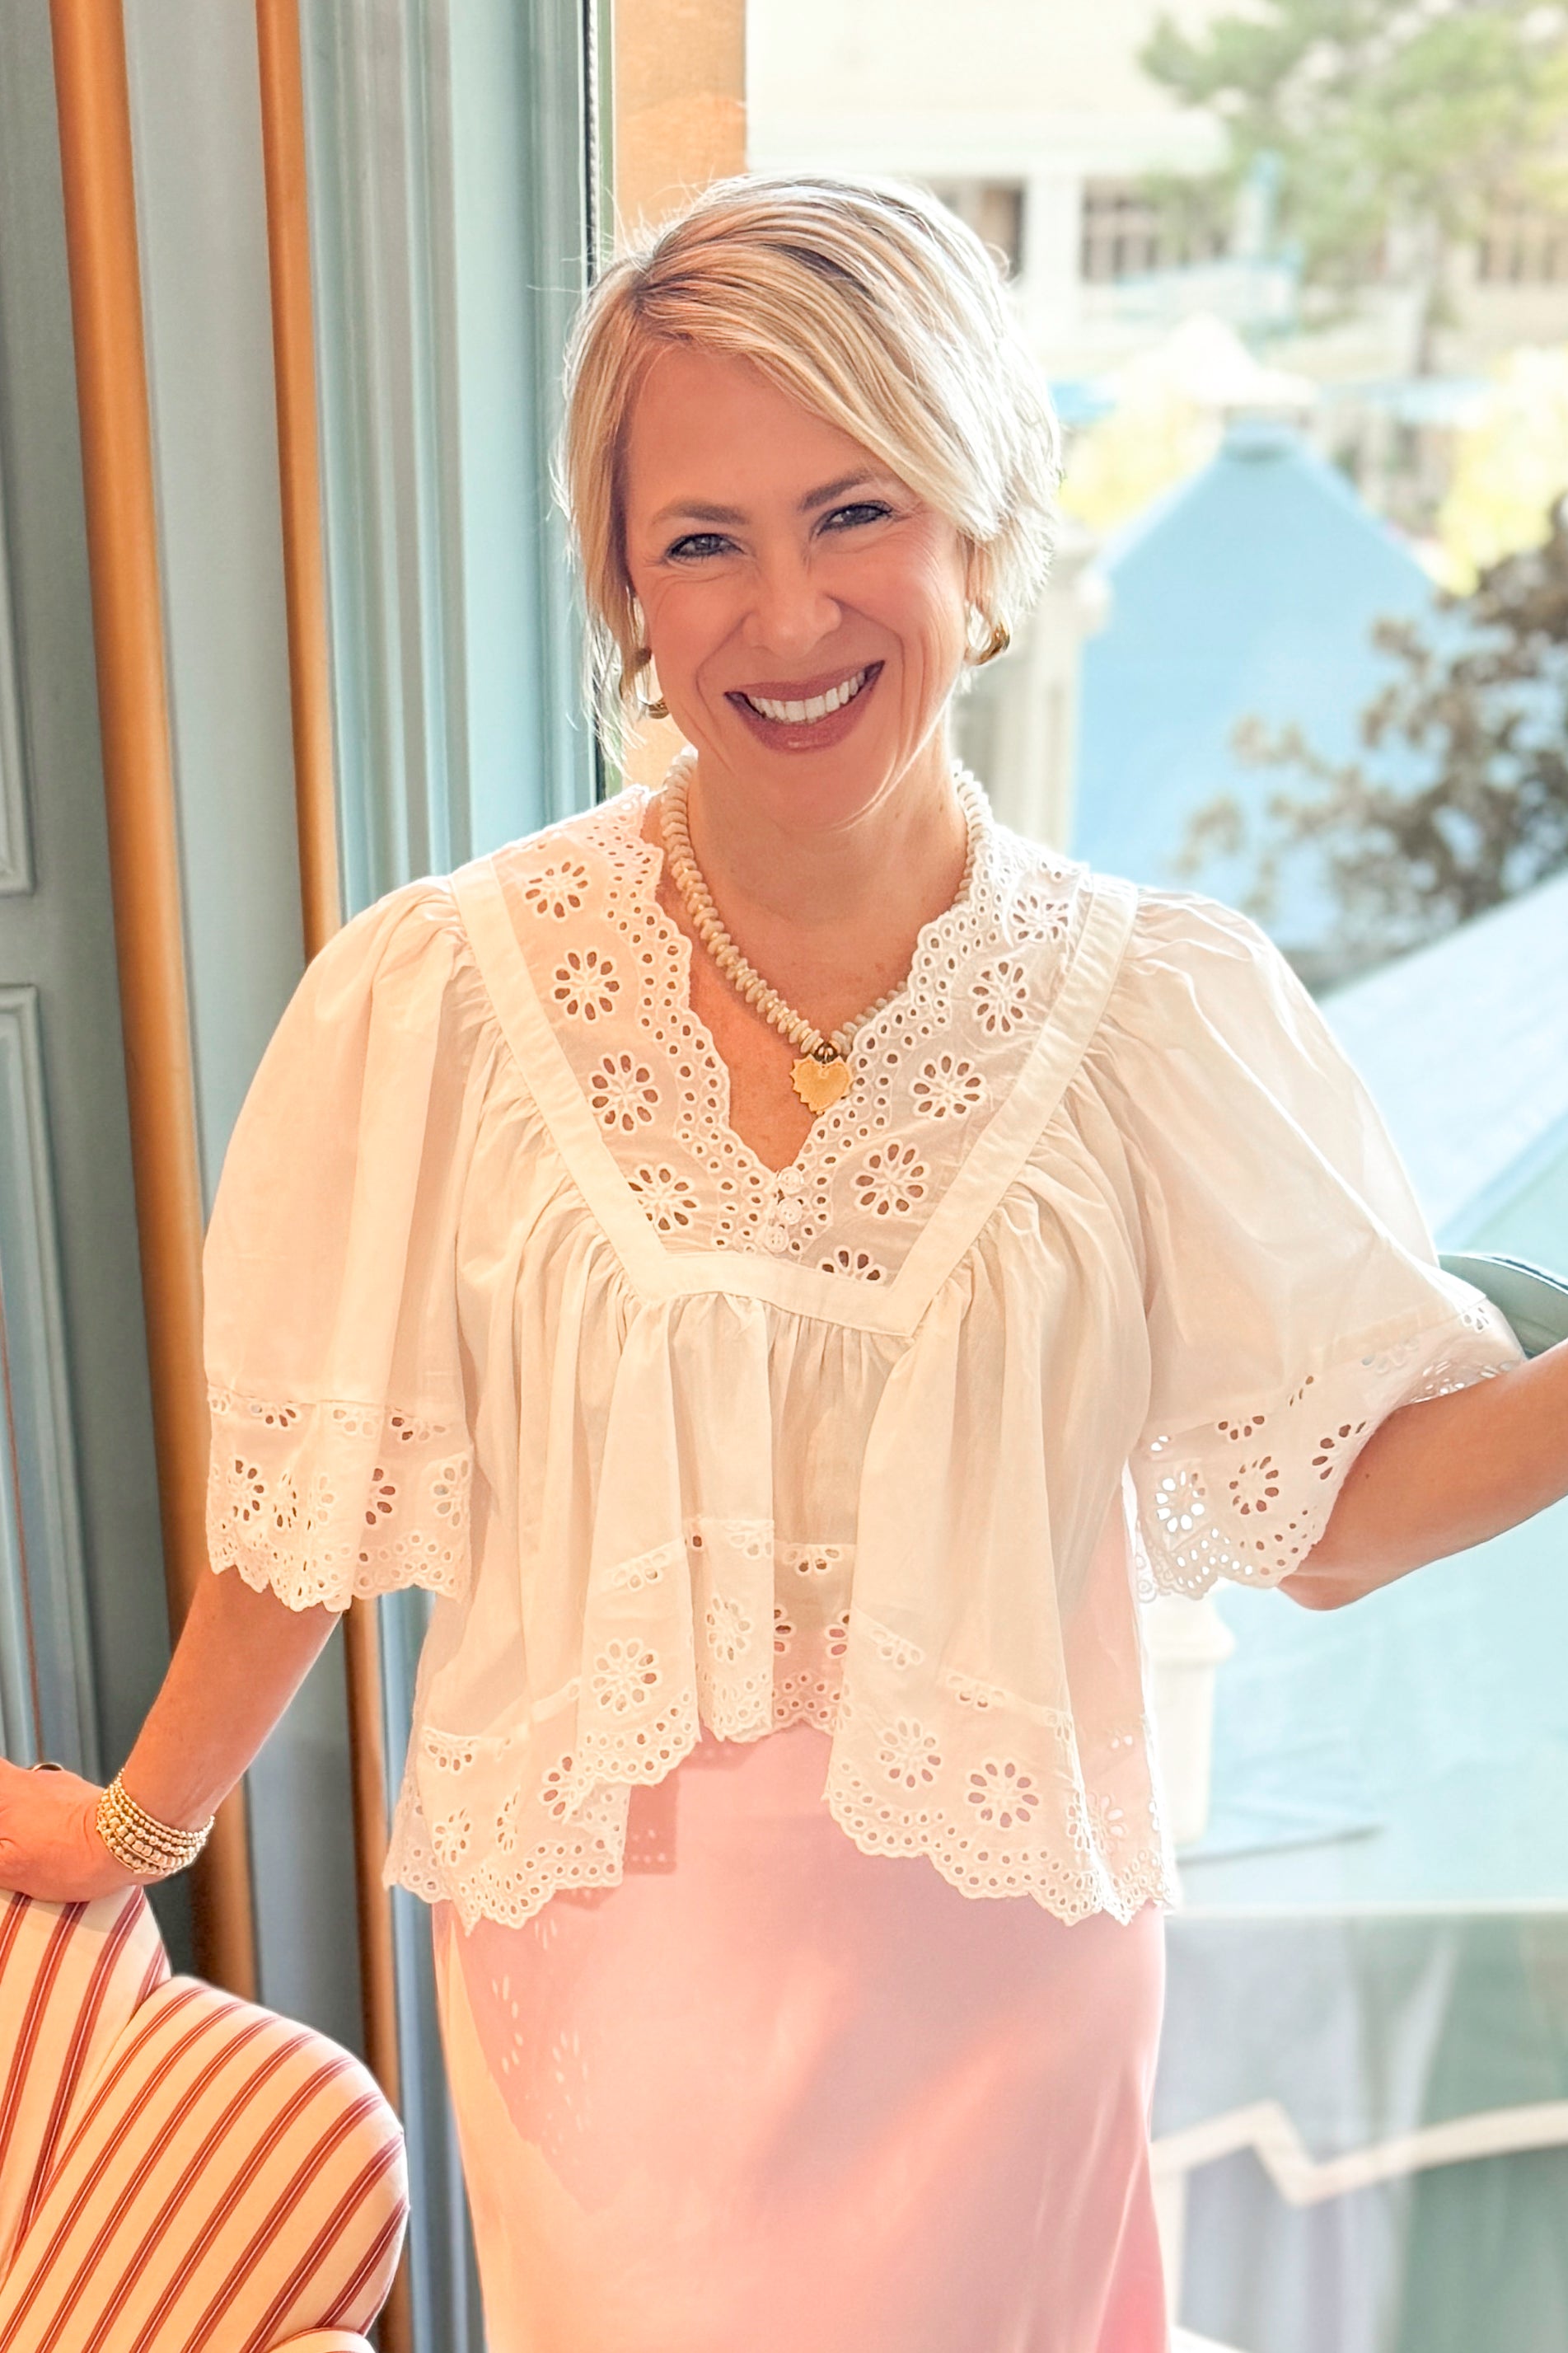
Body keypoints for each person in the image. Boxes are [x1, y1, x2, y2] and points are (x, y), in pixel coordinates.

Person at [2, 173, 1565, 2353]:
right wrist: (138, 1823)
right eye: (700, 542)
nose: (787, 614)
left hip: (1005, 1999)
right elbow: (310, 1522)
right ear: (626, 594)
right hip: (604, 2015)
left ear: (982, 529)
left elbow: (1329, 1512)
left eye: (856, 511)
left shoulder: (1150, 1015)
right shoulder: (450, 997)